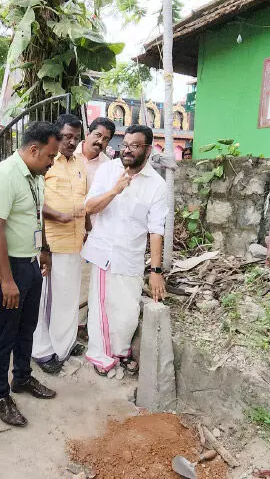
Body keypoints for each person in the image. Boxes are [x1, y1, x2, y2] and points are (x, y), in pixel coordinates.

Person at [0, 122, 60, 427]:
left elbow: (36, 215)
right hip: (8, 268)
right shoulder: (3, 176)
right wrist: (9, 279)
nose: (53, 161)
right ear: (33, 149)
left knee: (27, 326)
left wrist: (44, 249)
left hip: (29, 263)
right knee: (5, 332)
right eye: (50, 156)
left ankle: (22, 378)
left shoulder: (35, 175)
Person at [82, 124, 168, 378]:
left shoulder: (157, 185)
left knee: (128, 313)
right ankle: (101, 356)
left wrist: (155, 271)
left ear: (148, 149)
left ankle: (118, 351)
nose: (127, 151)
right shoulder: (108, 170)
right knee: (101, 310)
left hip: (130, 257)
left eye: (134, 146)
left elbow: (156, 230)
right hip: (104, 253)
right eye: (125, 145)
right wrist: (114, 191)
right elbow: (89, 207)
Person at [32, 114, 88, 374]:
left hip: (76, 243)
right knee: (47, 299)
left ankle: (64, 344)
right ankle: (42, 351)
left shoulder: (80, 164)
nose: (72, 142)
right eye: (67, 137)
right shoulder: (46, 163)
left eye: (76, 138)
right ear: (56, 135)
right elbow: (35, 202)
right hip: (51, 245)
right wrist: (57, 216)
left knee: (67, 298)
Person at [75, 117, 114, 189]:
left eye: (105, 139)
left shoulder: (107, 166)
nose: (100, 141)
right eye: (98, 135)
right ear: (87, 134)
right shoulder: (70, 154)